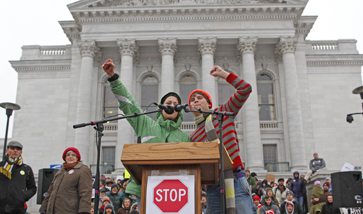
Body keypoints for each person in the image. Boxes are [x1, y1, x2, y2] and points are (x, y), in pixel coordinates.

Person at [103, 59, 190, 212]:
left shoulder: (185, 137)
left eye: (175, 104)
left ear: (179, 110)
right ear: (161, 107)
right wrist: (113, 78)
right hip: (146, 187)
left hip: (176, 191)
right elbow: (128, 104)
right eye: (168, 103)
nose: (171, 106)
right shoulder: (145, 124)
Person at [188, 65, 253, 214]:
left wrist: (224, 74)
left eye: (200, 98)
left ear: (209, 103)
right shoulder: (193, 137)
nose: (195, 101)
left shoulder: (223, 114)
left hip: (235, 179)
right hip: (212, 187)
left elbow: (245, 89)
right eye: (192, 99)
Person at [39, 147, 93, 214]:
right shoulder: (60, 172)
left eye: (73, 155)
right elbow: (50, 191)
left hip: (70, 210)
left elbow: (85, 192)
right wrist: (43, 208)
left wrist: (84, 211)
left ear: (77, 158)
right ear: (65, 158)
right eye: (68, 155)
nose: (70, 157)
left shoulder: (83, 170)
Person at [0, 141, 37, 214]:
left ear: (21, 152)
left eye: (18, 149)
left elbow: (32, 188)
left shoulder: (26, 169)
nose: (15, 150)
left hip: (17, 209)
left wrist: (23, 196)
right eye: (12, 148)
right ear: (7, 151)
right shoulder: (0, 166)